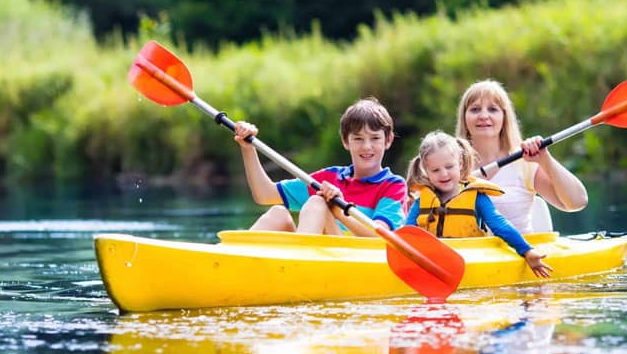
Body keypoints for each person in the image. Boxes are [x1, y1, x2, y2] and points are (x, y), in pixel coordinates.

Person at [233, 97, 407, 236]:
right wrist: (248, 148)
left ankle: (299, 268)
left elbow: (379, 236)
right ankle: (230, 260)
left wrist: (338, 210)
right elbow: (264, 194)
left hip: (352, 263)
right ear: (346, 142)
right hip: (319, 256)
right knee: (278, 213)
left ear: (388, 140)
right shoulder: (330, 178)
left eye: (375, 138)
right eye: (358, 139)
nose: (367, 146)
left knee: (317, 202)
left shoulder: (393, 185)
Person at [405, 130, 553, 277]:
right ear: (426, 171)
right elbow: (406, 234)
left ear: (460, 163)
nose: (444, 174)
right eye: (435, 170)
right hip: (434, 266)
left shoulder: (477, 197)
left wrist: (526, 250)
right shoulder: (421, 202)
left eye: (449, 167)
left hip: (472, 263)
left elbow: (499, 225)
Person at [455, 80, 588, 233]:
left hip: (520, 253)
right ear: (465, 117)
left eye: (492, 109)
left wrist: (545, 160)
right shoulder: (448, 165)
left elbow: (577, 202)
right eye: (475, 109)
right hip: (468, 253)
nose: (484, 115)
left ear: (504, 117)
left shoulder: (524, 163)